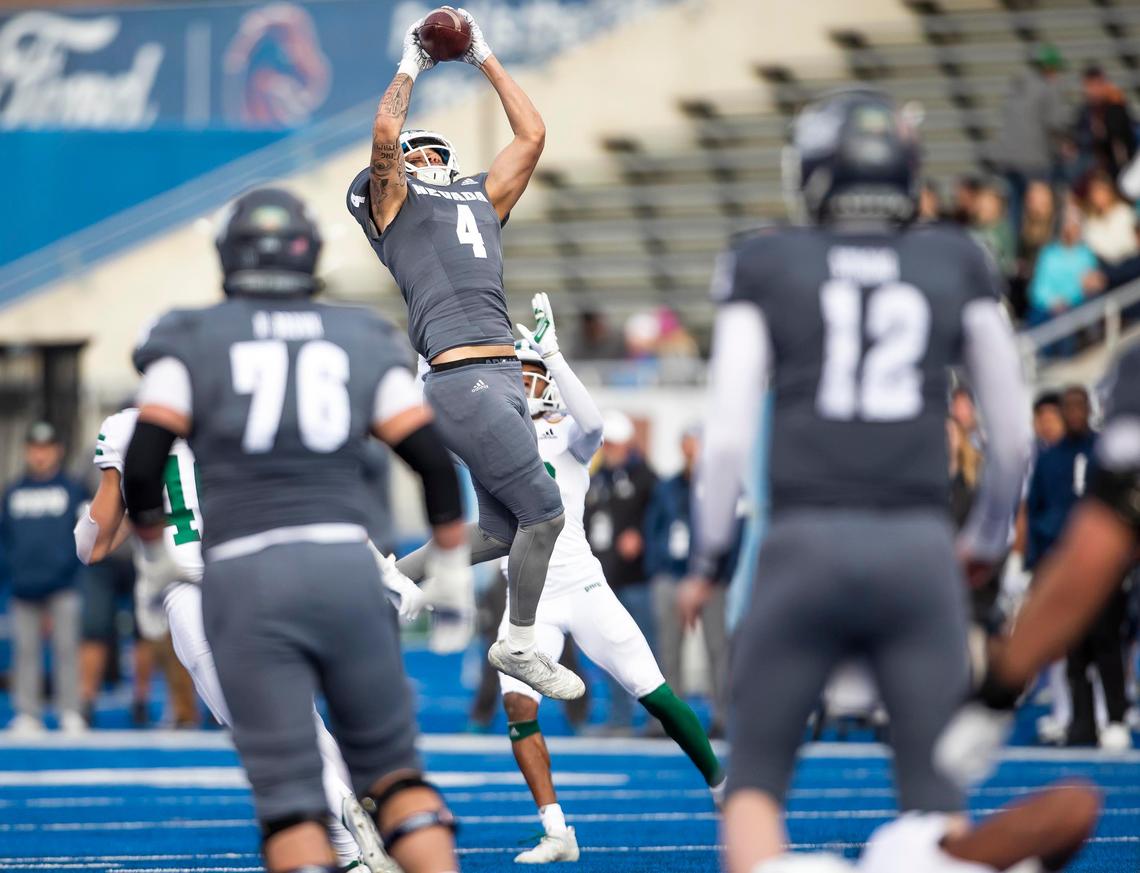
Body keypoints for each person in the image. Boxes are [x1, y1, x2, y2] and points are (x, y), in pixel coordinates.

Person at [678, 90, 1033, 872]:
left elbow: (729, 435)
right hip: (917, 543)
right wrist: (981, 540)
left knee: (755, 787)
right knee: (936, 803)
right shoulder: (956, 257)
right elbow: (1012, 436)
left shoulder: (765, 260)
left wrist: (708, 559)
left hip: (803, 543)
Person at [120, 186, 472, 873]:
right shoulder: (361, 334)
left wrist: (154, 556)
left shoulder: (188, 336)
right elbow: (430, 459)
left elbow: (143, 461)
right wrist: (453, 561)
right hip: (345, 566)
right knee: (399, 781)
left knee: (292, 804)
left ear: (229, 254)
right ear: (311, 254)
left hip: (246, 577)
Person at [345, 7, 580, 702]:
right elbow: (387, 133)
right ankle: (518, 641)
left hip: (501, 374)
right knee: (546, 514)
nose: (437, 160)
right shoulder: (397, 205)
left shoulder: (479, 196)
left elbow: (532, 134)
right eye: (427, 154)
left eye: (440, 153)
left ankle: (393, 575)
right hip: (460, 374)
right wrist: (416, 59)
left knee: (503, 531)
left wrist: (483, 55)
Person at [493, 295, 723, 863]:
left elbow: (594, 421)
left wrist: (554, 354)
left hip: (580, 587)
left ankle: (723, 787)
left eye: (530, 373)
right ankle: (556, 830)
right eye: (515, 374)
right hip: (528, 600)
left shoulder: (568, 433)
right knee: (519, 709)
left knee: (655, 693)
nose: (521, 385)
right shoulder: (491, 445)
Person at [938, 342, 1140, 778]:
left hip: (1095, 566)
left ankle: (1117, 716)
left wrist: (996, 695)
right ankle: (1084, 721)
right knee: (1078, 654)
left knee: (1105, 646)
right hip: (1058, 556)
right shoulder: (1051, 460)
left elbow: (1102, 538)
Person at [0, 422, 89, 735]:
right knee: (25, 651)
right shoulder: (13, 492)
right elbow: (6, 538)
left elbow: (83, 535)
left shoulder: (72, 489)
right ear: (27, 452)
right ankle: (28, 712)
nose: (40, 455)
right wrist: (13, 570)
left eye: (46, 448)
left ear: (58, 451)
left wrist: (69, 569)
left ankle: (71, 710)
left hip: (64, 584)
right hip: (24, 586)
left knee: (67, 648)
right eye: (35, 449)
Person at [645, 426, 729, 736]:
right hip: (671, 576)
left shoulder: (724, 486)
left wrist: (719, 575)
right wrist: (657, 569)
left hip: (710, 581)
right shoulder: (668, 487)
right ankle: (669, 719)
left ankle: (723, 717)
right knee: (667, 650)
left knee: (717, 650)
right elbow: (653, 528)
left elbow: (736, 529)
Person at [583, 409, 658, 734]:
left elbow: (659, 522)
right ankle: (619, 717)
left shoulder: (645, 478)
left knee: (647, 650)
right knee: (611, 651)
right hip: (605, 578)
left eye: (613, 444)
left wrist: (641, 534)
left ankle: (659, 718)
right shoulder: (597, 478)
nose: (608, 451)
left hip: (637, 578)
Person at [990, 43, 1069, 241]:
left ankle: (1013, 252)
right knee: (1042, 209)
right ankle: (1039, 251)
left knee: (1014, 209)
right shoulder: (1047, 87)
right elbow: (1057, 123)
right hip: (1034, 161)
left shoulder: (1016, 86)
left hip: (1007, 159)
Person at [1074, 65, 1137, 180]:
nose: (1094, 90)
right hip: (1093, 165)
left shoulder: (1116, 108)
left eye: (1097, 85)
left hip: (1118, 165)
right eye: (1089, 85)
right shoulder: (1085, 112)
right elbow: (1080, 138)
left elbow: (1122, 136)